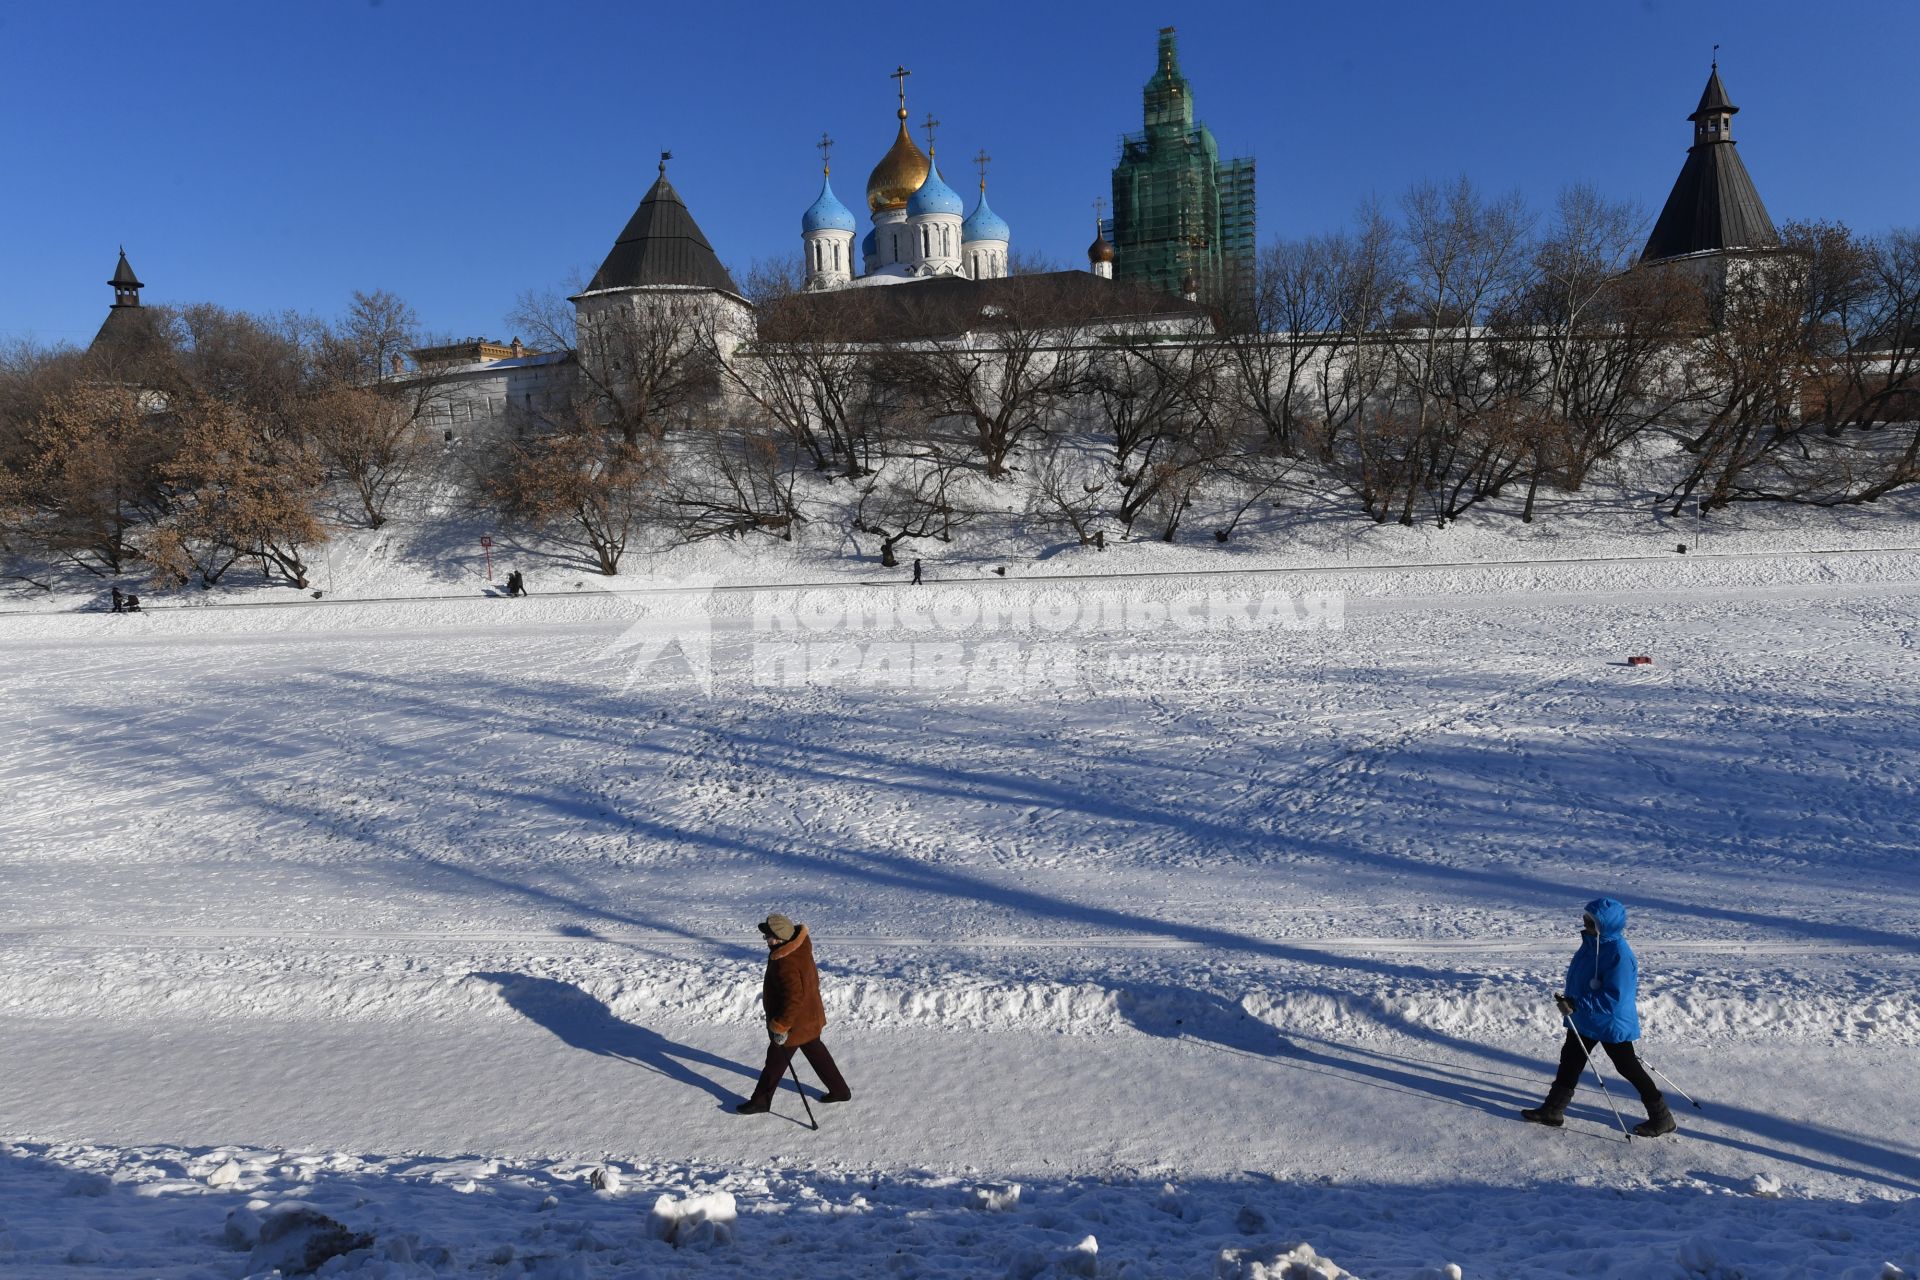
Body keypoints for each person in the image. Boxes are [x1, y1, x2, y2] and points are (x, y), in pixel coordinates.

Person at [1521, 897, 1675, 1137]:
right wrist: (1571, 1000)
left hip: (1610, 1022)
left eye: (1590, 922)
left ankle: (1662, 1118)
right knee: (1570, 1060)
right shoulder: (1591, 943)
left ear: (1606, 925)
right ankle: (1552, 1110)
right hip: (1585, 1017)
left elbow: (1615, 998)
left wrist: (1577, 1002)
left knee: (1628, 1067)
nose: (1584, 925)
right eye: (1585, 919)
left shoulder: (1619, 955)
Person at [734, 913, 852, 1115]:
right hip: (809, 1017)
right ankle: (840, 1090)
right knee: (817, 1053)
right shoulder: (799, 947)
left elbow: (793, 999)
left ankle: (761, 1101)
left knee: (774, 1062)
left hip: (794, 1024)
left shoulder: (785, 962)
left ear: (780, 937)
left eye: (768, 936)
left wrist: (780, 1026)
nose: (766, 940)